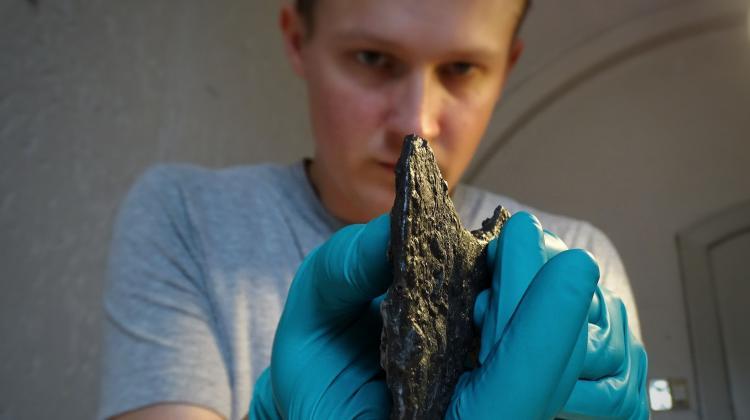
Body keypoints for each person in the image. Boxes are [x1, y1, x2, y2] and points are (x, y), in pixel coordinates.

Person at [98, 0, 648, 419]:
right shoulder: (187, 217)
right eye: (373, 59)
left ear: (506, 67)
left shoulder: (578, 257)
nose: (417, 122)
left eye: (460, 69)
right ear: (297, 40)